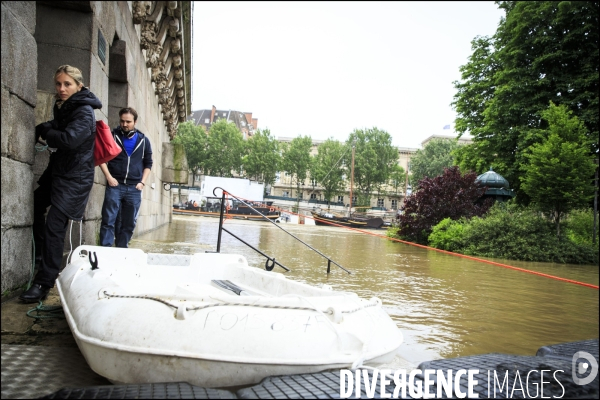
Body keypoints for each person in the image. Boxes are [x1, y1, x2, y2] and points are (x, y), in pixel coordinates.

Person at [20, 65, 102, 303]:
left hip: (75, 178)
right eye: (58, 84)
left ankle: (44, 282)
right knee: (36, 204)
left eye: (67, 84)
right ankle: (43, 259)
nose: (62, 88)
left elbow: (69, 139)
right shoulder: (65, 106)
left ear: (79, 86)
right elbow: (61, 128)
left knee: (55, 225)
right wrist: (46, 126)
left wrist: (46, 132)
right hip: (59, 172)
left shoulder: (84, 110)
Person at [99, 107, 152, 248]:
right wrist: (109, 177)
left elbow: (148, 164)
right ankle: (105, 251)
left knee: (129, 223)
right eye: (122, 121)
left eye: (128, 121)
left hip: (134, 188)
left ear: (135, 122)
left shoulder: (144, 141)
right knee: (108, 220)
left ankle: (122, 251)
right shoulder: (112, 136)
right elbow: (101, 157)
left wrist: (142, 182)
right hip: (115, 185)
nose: (124, 124)